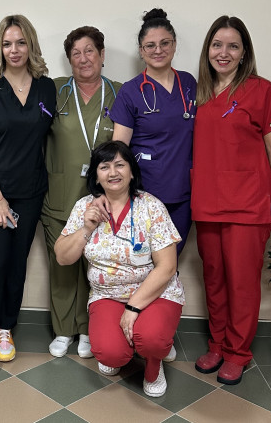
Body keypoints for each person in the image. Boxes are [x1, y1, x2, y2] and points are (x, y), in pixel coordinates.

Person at [191, 15, 271, 385]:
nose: (224, 52)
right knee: (214, 279)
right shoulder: (199, 93)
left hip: (248, 206)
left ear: (244, 52)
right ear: (208, 49)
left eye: (233, 46)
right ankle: (217, 344)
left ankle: (237, 352)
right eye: (217, 45)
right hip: (207, 202)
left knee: (242, 284)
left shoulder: (262, 91)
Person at [54, 141, 184, 398]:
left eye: (120, 165)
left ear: (132, 172)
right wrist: (86, 228)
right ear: (96, 176)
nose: (113, 172)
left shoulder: (151, 206)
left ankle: (154, 364)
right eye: (104, 167)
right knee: (110, 354)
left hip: (154, 292)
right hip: (107, 295)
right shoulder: (84, 207)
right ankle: (126, 344)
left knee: (152, 340)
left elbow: (168, 267)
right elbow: (62, 257)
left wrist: (133, 308)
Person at [0, 15, 56, 370]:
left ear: (31, 45)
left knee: (17, 263)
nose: (14, 50)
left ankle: (6, 328)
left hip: (30, 192)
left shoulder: (47, 88)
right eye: (7, 44)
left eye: (20, 42)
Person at [42, 26, 120, 359]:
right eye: (76, 53)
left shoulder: (119, 93)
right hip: (59, 196)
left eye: (90, 51)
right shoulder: (53, 90)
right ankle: (63, 330)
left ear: (102, 55)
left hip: (103, 200)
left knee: (95, 267)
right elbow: (17, 96)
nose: (83, 58)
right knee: (62, 265)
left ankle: (88, 329)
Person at [110, 9, 196, 257]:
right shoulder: (130, 91)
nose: (158, 50)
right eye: (150, 45)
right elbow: (119, 149)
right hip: (145, 194)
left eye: (164, 43)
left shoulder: (189, 84)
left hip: (184, 194)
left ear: (174, 45)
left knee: (171, 263)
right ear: (141, 50)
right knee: (143, 263)